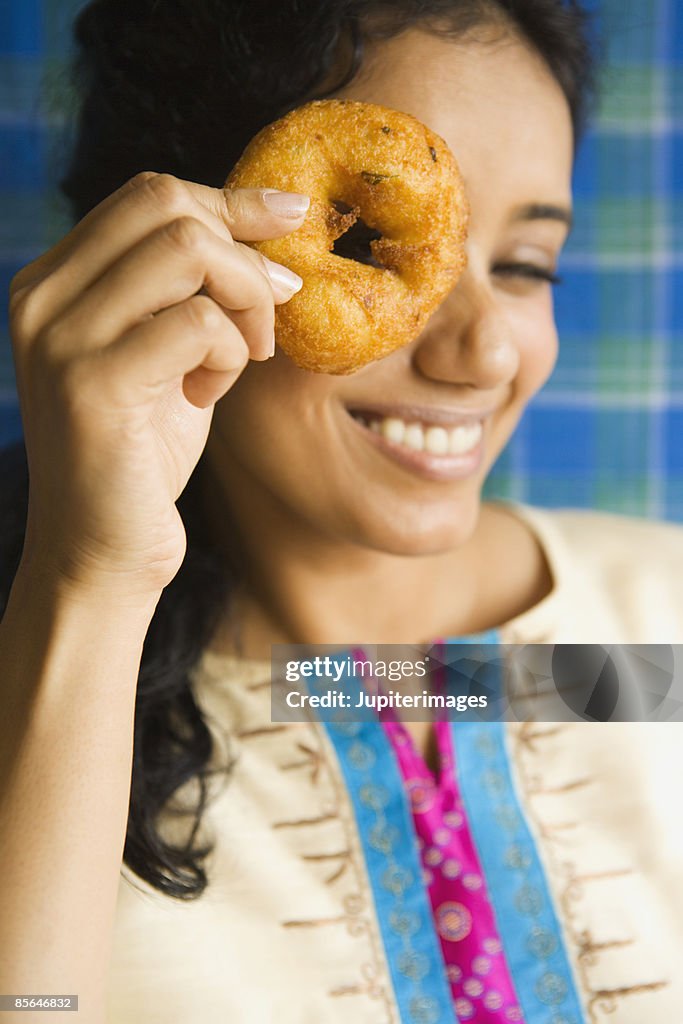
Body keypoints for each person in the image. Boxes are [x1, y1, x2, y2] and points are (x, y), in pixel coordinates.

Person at [0, 0, 682, 1022]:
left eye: (523, 266)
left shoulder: (647, 635)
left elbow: (399, 687)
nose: (485, 353)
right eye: (368, 248)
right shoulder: (50, 688)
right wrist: (92, 582)